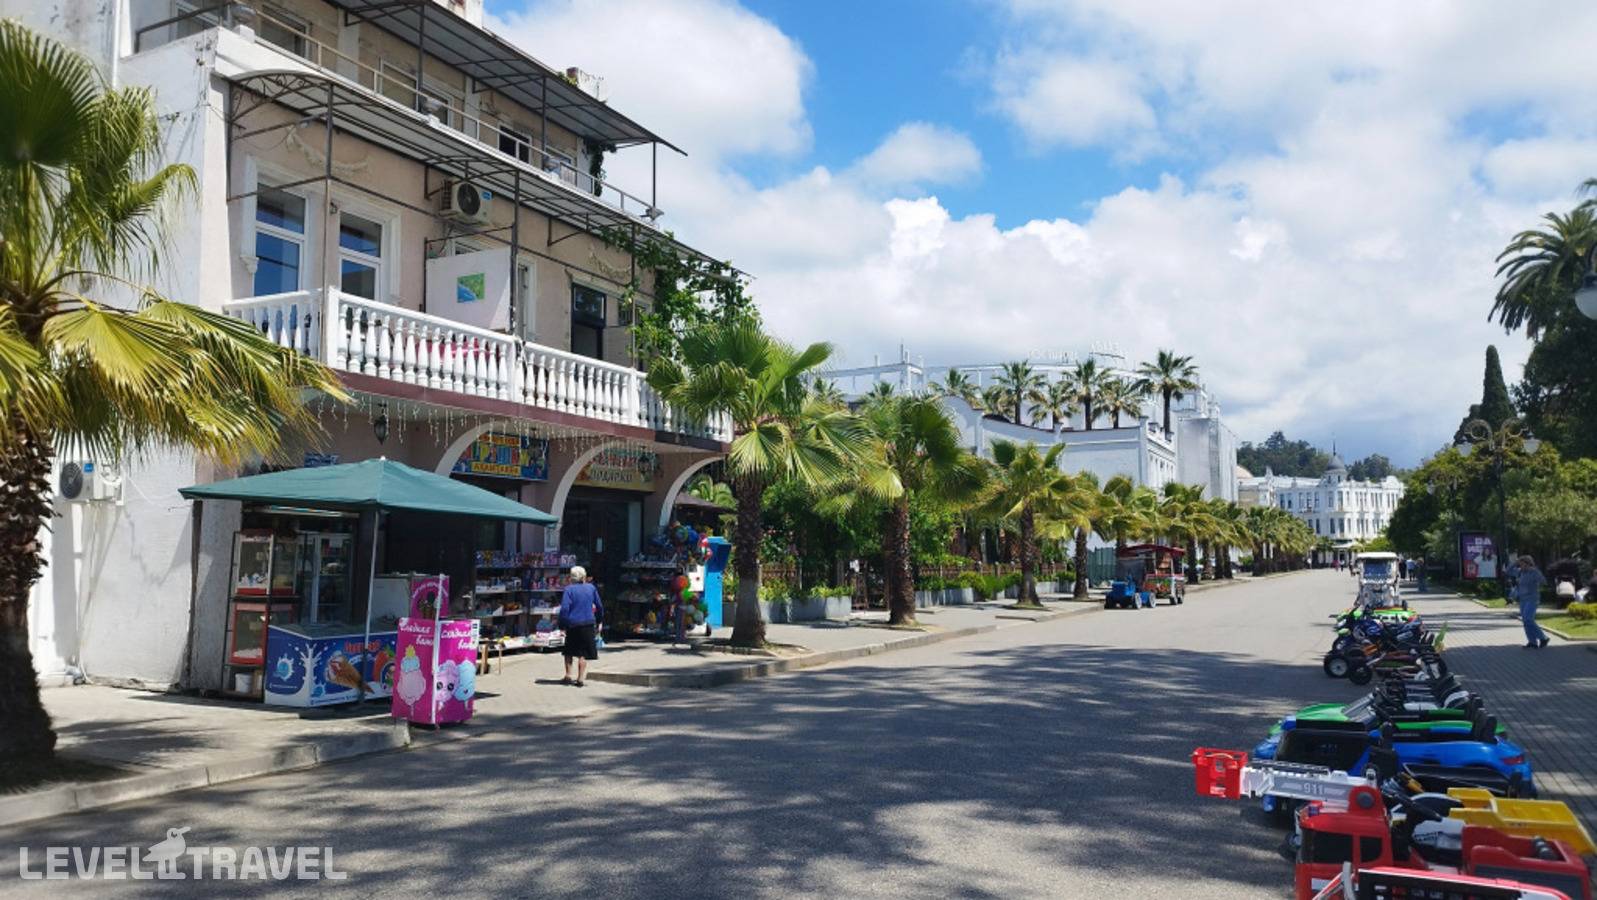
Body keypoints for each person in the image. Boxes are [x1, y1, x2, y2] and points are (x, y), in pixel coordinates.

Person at [557, 565, 604, 685]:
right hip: (588, 623)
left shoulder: (569, 589)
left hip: (572, 624)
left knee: (569, 650)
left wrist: (562, 625)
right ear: (583, 576)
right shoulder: (591, 588)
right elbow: (599, 606)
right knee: (583, 653)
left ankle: (568, 675)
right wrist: (599, 621)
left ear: (571, 577)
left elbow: (564, 609)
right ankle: (580, 678)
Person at [1505, 554, 1549, 649]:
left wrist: (1538, 579)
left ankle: (1543, 638)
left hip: (1532, 599)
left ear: (1528, 563)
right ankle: (1532, 642)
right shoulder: (1520, 572)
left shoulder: (1534, 572)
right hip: (1523, 600)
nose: (1520, 566)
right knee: (1525, 621)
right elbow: (1507, 571)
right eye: (1519, 564)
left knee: (1528, 619)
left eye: (1522, 564)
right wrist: (1514, 563)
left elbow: (1544, 581)